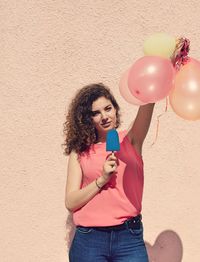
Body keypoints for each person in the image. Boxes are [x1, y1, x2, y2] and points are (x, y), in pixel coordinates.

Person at [63, 83, 155, 262]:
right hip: (90, 239)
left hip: (129, 236)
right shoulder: (79, 152)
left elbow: (149, 101)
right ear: (87, 118)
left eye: (108, 108)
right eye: (96, 113)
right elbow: (70, 201)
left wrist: (168, 64)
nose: (104, 116)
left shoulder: (131, 140)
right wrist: (102, 179)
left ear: (115, 109)